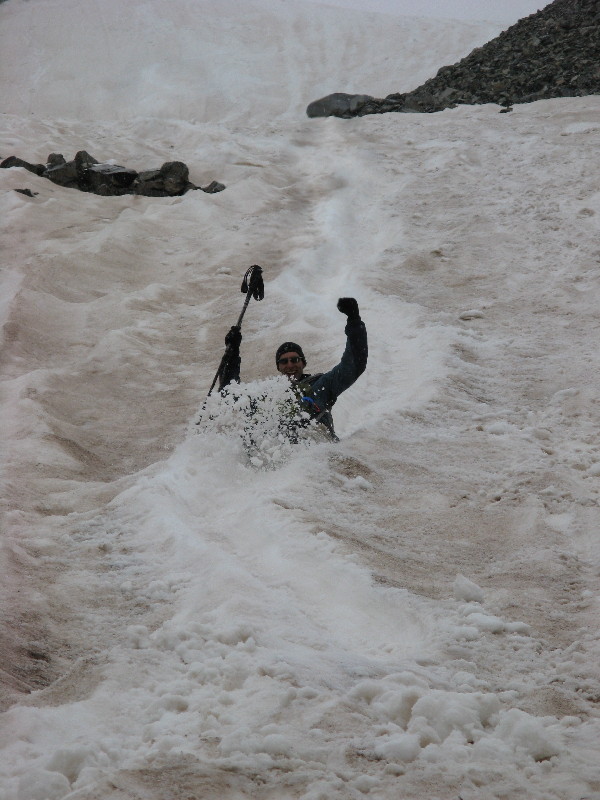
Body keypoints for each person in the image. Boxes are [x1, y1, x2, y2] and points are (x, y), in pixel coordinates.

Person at [218, 297, 368, 440]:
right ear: (278, 367)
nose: (290, 365)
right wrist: (232, 353)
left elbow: (354, 365)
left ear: (303, 363)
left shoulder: (321, 385)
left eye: (295, 360)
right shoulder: (266, 395)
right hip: (276, 458)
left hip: (316, 453)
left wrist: (354, 321)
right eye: (284, 362)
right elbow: (229, 393)